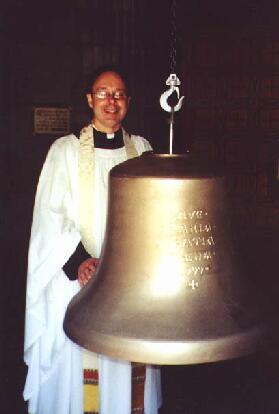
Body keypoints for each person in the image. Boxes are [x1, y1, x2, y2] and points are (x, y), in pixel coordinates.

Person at [23, 65, 162, 414]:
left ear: (128, 101)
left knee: (126, 366)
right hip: (78, 281)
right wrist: (80, 261)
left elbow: (155, 212)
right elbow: (49, 215)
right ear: (89, 99)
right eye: (103, 93)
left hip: (128, 283)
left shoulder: (143, 150)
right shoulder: (64, 151)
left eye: (118, 94)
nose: (111, 101)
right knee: (82, 376)